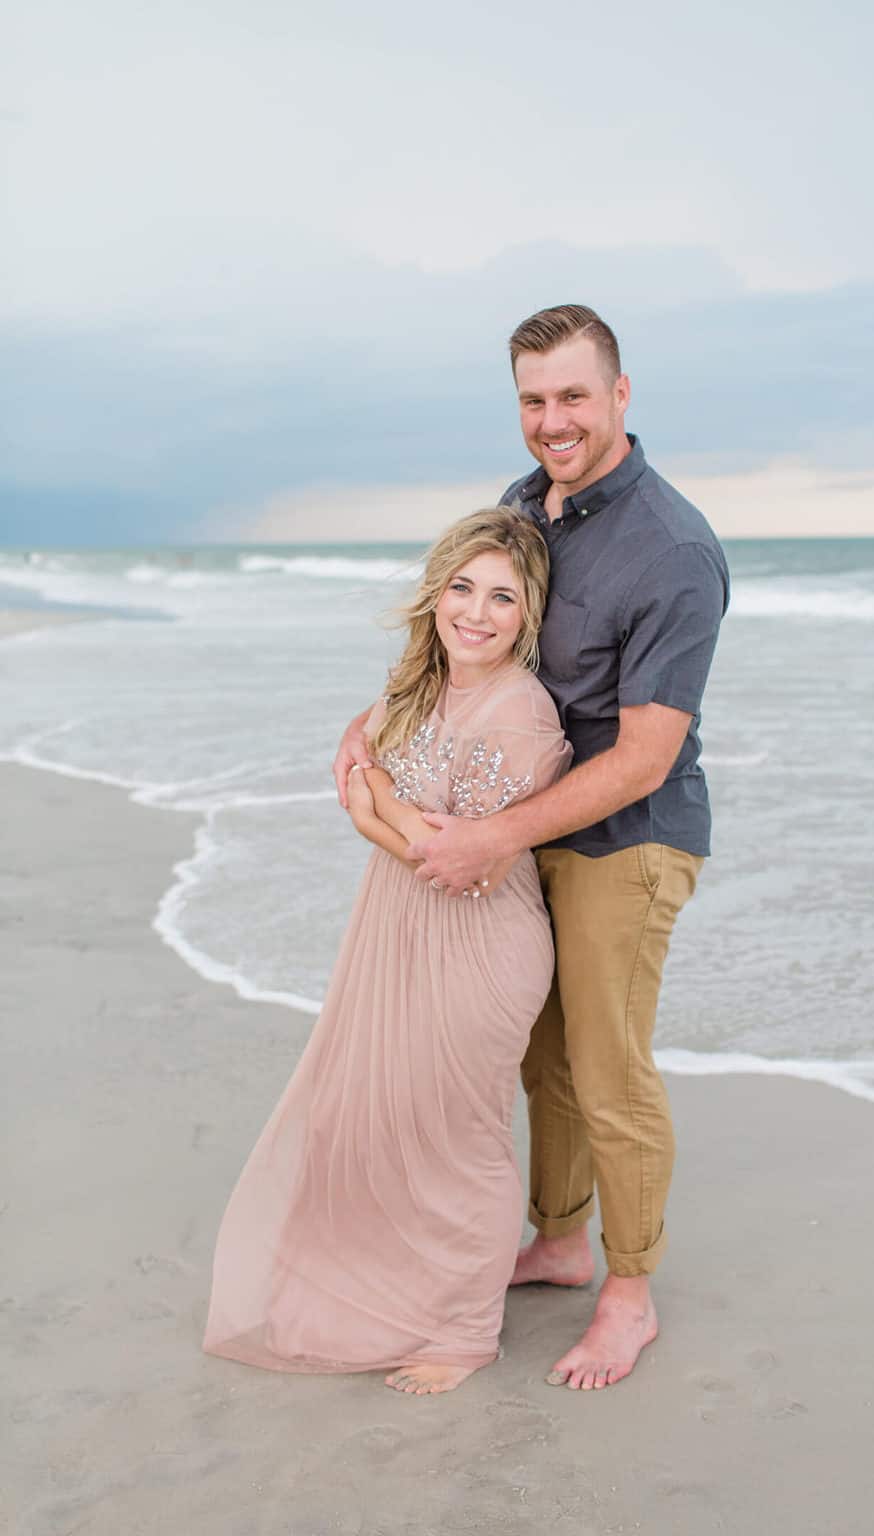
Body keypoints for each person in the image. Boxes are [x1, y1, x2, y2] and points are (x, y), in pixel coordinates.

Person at [334, 304, 730, 1392]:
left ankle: (630, 1291)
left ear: (620, 395)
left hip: (621, 841)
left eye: (573, 396)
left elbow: (646, 754)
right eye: (533, 400)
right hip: (519, 815)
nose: (552, 421)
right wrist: (377, 728)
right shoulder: (526, 506)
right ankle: (556, 1242)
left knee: (605, 1066)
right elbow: (469, 638)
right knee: (536, 1056)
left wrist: (493, 835)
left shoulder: (675, 551)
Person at [204, 508, 571, 1395]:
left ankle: (464, 1330)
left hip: (479, 945)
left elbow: (456, 861)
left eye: (502, 599)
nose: (476, 614)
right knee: (385, 1114)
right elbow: (372, 816)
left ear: (528, 617)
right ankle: (420, 1286)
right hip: (401, 929)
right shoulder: (417, 687)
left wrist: (380, 797)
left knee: (460, 1134)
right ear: (436, 592)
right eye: (462, 588)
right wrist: (381, 799)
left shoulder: (521, 711)